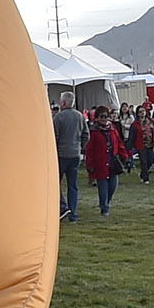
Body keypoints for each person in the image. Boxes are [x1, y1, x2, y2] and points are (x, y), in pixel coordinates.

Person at [50, 91, 86, 223]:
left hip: (61, 154)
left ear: (63, 102)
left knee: (55, 183)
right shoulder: (80, 116)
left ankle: (63, 206)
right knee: (73, 185)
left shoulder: (58, 118)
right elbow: (86, 134)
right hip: (75, 154)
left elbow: (54, 136)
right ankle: (73, 213)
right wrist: (80, 147)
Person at [83, 105, 125, 216]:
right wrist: (90, 165)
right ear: (96, 118)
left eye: (106, 116)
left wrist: (124, 155)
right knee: (103, 188)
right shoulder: (93, 132)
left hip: (112, 162)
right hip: (100, 163)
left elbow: (119, 142)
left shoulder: (112, 129)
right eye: (101, 116)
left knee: (113, 186)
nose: (104, 119)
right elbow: (89, 150)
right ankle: (104, 209)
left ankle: (106, 203)